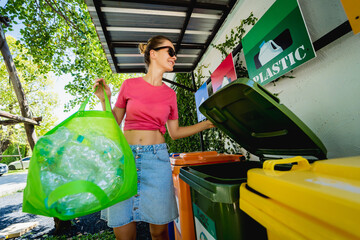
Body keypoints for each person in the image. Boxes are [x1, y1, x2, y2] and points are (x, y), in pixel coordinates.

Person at [93, 35, 214, 240]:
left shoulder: (170, 95)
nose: (175, 57)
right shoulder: (129, 85)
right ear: (153, 53)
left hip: (156, 161)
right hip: (125, 160)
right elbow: (114, 124)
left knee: (159, 233)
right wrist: (105, 99)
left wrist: (206, 124)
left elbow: (174, 132)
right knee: (124, 231)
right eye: (171, 51)